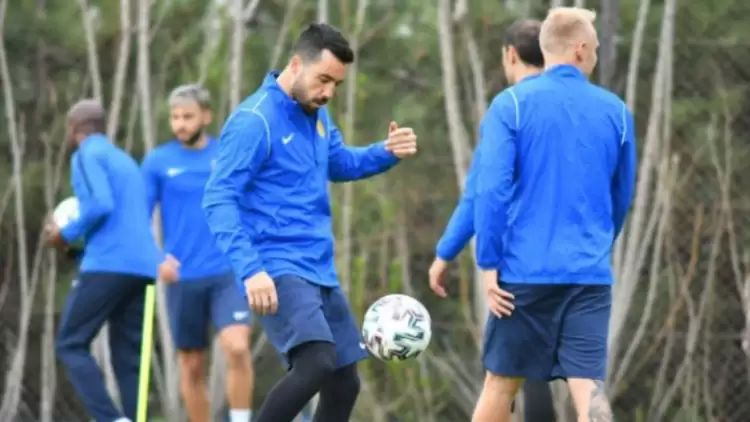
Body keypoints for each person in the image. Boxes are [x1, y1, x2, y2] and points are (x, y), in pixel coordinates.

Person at [202, 23, 418, 422]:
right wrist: (251, 270)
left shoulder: (318, 115)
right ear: (296, 64)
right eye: (323, 79)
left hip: (319, 267)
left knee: (344, 382)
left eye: (336, 84)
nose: (328, 92)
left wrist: (385, 152)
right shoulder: (254, 120)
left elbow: (339, 163)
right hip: (275, 265)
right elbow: (218, 199)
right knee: (317, 362)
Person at [470, 7, 636, 422]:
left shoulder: (511, 105)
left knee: (501, 383)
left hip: (523, 275)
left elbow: (491, 191)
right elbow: (621, 196)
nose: (595, 54)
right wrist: (595, 244)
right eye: (595, 47)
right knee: (589, 388)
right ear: (579, 50)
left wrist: (489, 263)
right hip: (588, 274)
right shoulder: (616, 111)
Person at [429, 19, 558, 422]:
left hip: (524, 262)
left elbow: (483, 193)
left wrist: (450, 253)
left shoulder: (509, 108)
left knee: (505, 377)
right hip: (582, 262)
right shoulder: (581, 104)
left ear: (510, 55)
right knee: (581, 378)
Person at [46, 100, 177, 422]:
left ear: (74, 130)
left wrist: (64, 234)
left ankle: (112, 419)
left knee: (70, 344)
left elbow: (100, 204)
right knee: (129, 360)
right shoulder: (126, 161)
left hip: (108, 265)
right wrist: (77, 251)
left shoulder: (86, 154)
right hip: (142, 269)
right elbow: (124, 222)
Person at [141, 85, 255, 422]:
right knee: (191, 365)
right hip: (182, 276)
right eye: (175, 117)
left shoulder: (226, 155)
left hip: (227, 271)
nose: (180, 124)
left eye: (187, 116)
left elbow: (253, 204)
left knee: (237, 347)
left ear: (206, 116)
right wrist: (156, 258)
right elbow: (139, 216)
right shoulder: (158, 161)